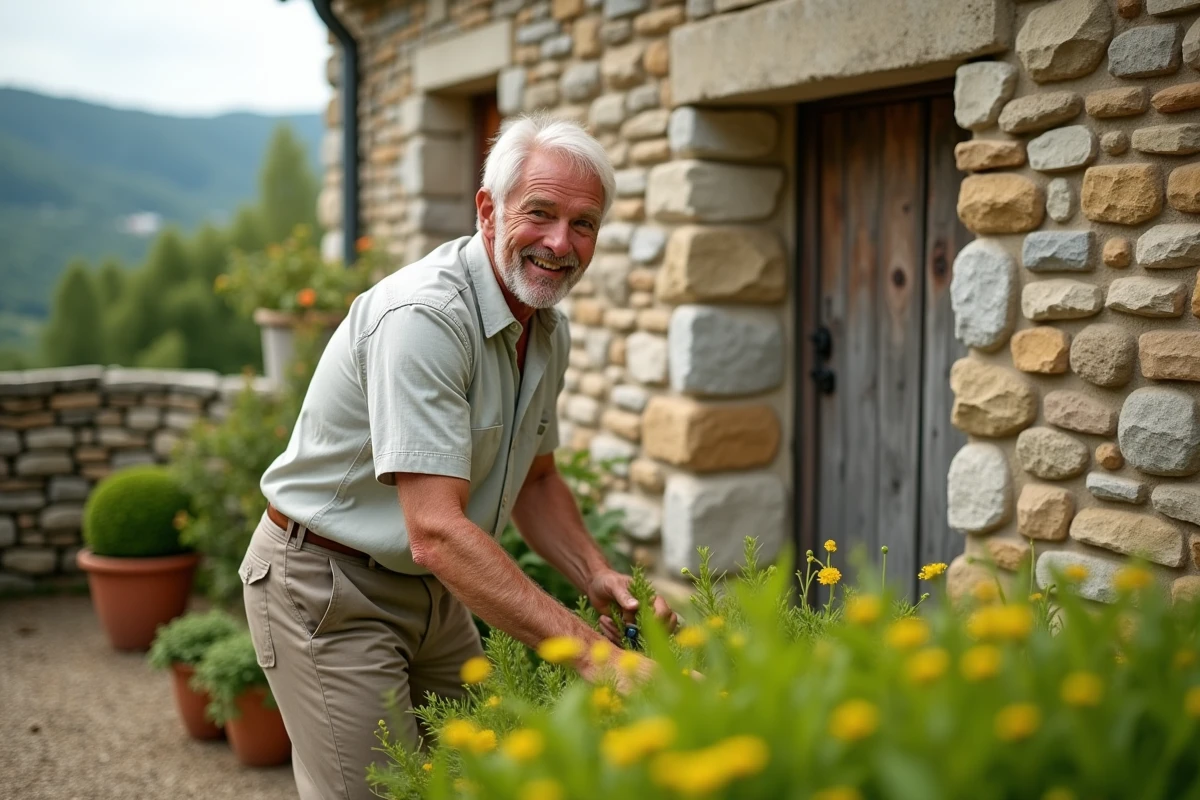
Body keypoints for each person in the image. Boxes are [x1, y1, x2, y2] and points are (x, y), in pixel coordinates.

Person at [238, 113, 678, 800]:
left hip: (435, 591)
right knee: (382, 792)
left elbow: (536, 481)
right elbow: (437, 531)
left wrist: (594, 571)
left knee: (486, 782)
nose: (561, 243)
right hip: (326, 585)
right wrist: (596, 657)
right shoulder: (426, 319)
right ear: (488, 210)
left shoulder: (544, 327)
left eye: (584, 223)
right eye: (541, 213)